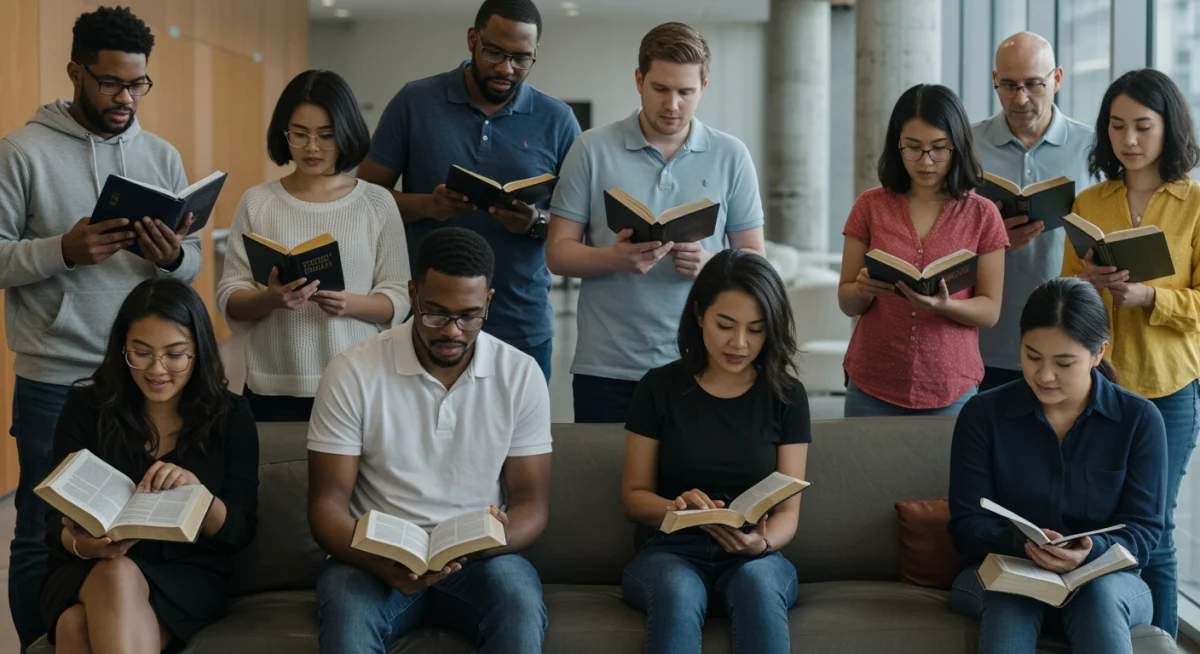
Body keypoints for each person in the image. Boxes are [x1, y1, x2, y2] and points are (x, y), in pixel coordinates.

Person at [0, 7, 202, 647]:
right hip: (55, 378)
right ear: (75, 73)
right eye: (111, 83)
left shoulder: (160, 155)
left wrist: (171, 255)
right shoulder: (22, 153)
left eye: (138, 85)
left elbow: (190, 267)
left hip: (145, 378)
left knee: (134, 524)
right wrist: (63, 249)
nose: (126, 99)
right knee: (40, 526)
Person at [307, 227, 552, 653]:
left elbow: (532, 505)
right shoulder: (352, 371)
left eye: (469, 316)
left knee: (518, 602)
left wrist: (489, 543)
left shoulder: (520, 373)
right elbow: (326, 506)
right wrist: (377, 562)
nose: (453, 331)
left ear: (489, 301)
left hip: (480, 563)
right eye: (435, 313)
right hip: (374, 561)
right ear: (412, 295)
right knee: (348, 612)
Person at [547, 22, 766, 423]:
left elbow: (755, 258)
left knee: (694, 486)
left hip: (703, 361)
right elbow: (558, 254)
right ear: (639, 80)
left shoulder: (731, 155)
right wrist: (616, 258)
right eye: (660, 89)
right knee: (607, 483)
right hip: (607, 366)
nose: (673, 105)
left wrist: (710, 266)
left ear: (704, 86)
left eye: (686, 92)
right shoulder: (590, 149)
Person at [356, 0, 580, 381]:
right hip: (426, 322)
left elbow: (580, 221)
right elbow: (362, 198)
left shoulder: (557, 120)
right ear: (472, 39)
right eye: (494, 52)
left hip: (520, 322)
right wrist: (428, 205)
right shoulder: (415, 102)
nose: (506, 68)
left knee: (518, 441)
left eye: (521, 58)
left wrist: (535, 222)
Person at [948, 277, 1166, 654]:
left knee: (1099, 597)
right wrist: (1024, 544)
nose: (1044, 375)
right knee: (1009, 597)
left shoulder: (1139, 420)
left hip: (1106, 580)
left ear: (1099, 353)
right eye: (1032, 356)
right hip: (1005, 570)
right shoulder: (983, 414)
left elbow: (1144, 532)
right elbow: (966, 524)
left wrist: (1092, 550)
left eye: (1064, 363)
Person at [40, 279, 259, 653]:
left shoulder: (231, 416)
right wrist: (84, 545)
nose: (157, 370)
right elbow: (51, 524)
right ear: (122, 349)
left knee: (75, 627)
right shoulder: (86, 409)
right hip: (87, 567)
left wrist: (198, 496)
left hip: (187, 575)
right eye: (140, 353)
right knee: (115, 572)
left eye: (175, 355)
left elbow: (241, 530)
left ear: (199, 352)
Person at [1062, 68, 1200, 638]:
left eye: (1143, 126)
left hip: (1167, 389)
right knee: (1100, 521)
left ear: (1169, 129)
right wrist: (1089, 281)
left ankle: (1158, 642)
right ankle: (1103, 631)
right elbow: (1065, 297)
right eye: (1117, 126)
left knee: (1155, 528)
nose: (1130, 140)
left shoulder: (1194, 202)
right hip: (1098, 390)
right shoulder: (1092, 199)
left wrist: (1151, 298)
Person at [620, 249, 808, 654]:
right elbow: (633, 499)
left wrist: (763, 545)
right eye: (726, 325)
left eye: (756, 330)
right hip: (671, 552)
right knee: (677, 592)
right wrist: (676, 508)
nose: (740, 343)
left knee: (758, 585)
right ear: (700, 314)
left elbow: (788, 513)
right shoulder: (658, 388)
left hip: (755, 556)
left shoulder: (787, 396)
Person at [217, 69, 410, 422]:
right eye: (300, 134)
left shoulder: (377, 203)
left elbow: (399, 296)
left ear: (346, 133)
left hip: (357, 383)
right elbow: (231, 293)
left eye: (326, 135)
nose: (312, 147)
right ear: (283, 133)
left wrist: (349, 303)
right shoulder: (258, 202)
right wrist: (269, 298)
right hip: (272, 386)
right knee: (276, 477)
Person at [837, 84, 1008, 417]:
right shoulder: (870, 206)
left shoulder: (982, 214)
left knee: (944, 471)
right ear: (896, 144)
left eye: (939, 148)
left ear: (958, 146)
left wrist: (944, 306)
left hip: (951, 385)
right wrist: (861, 288)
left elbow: (990, 311)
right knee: (865, 470)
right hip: (873, 380)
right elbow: (846, 301)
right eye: (912, 148)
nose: (926, 161)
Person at [974, 32, 1096, 392]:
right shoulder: (966, 145)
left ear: (1056, 79)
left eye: (1033, 84)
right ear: (995, 80)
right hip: (985, 343)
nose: (1020, 98)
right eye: (1008, 85)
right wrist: (993, 243)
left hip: (1069, 340)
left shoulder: (1092, 146)